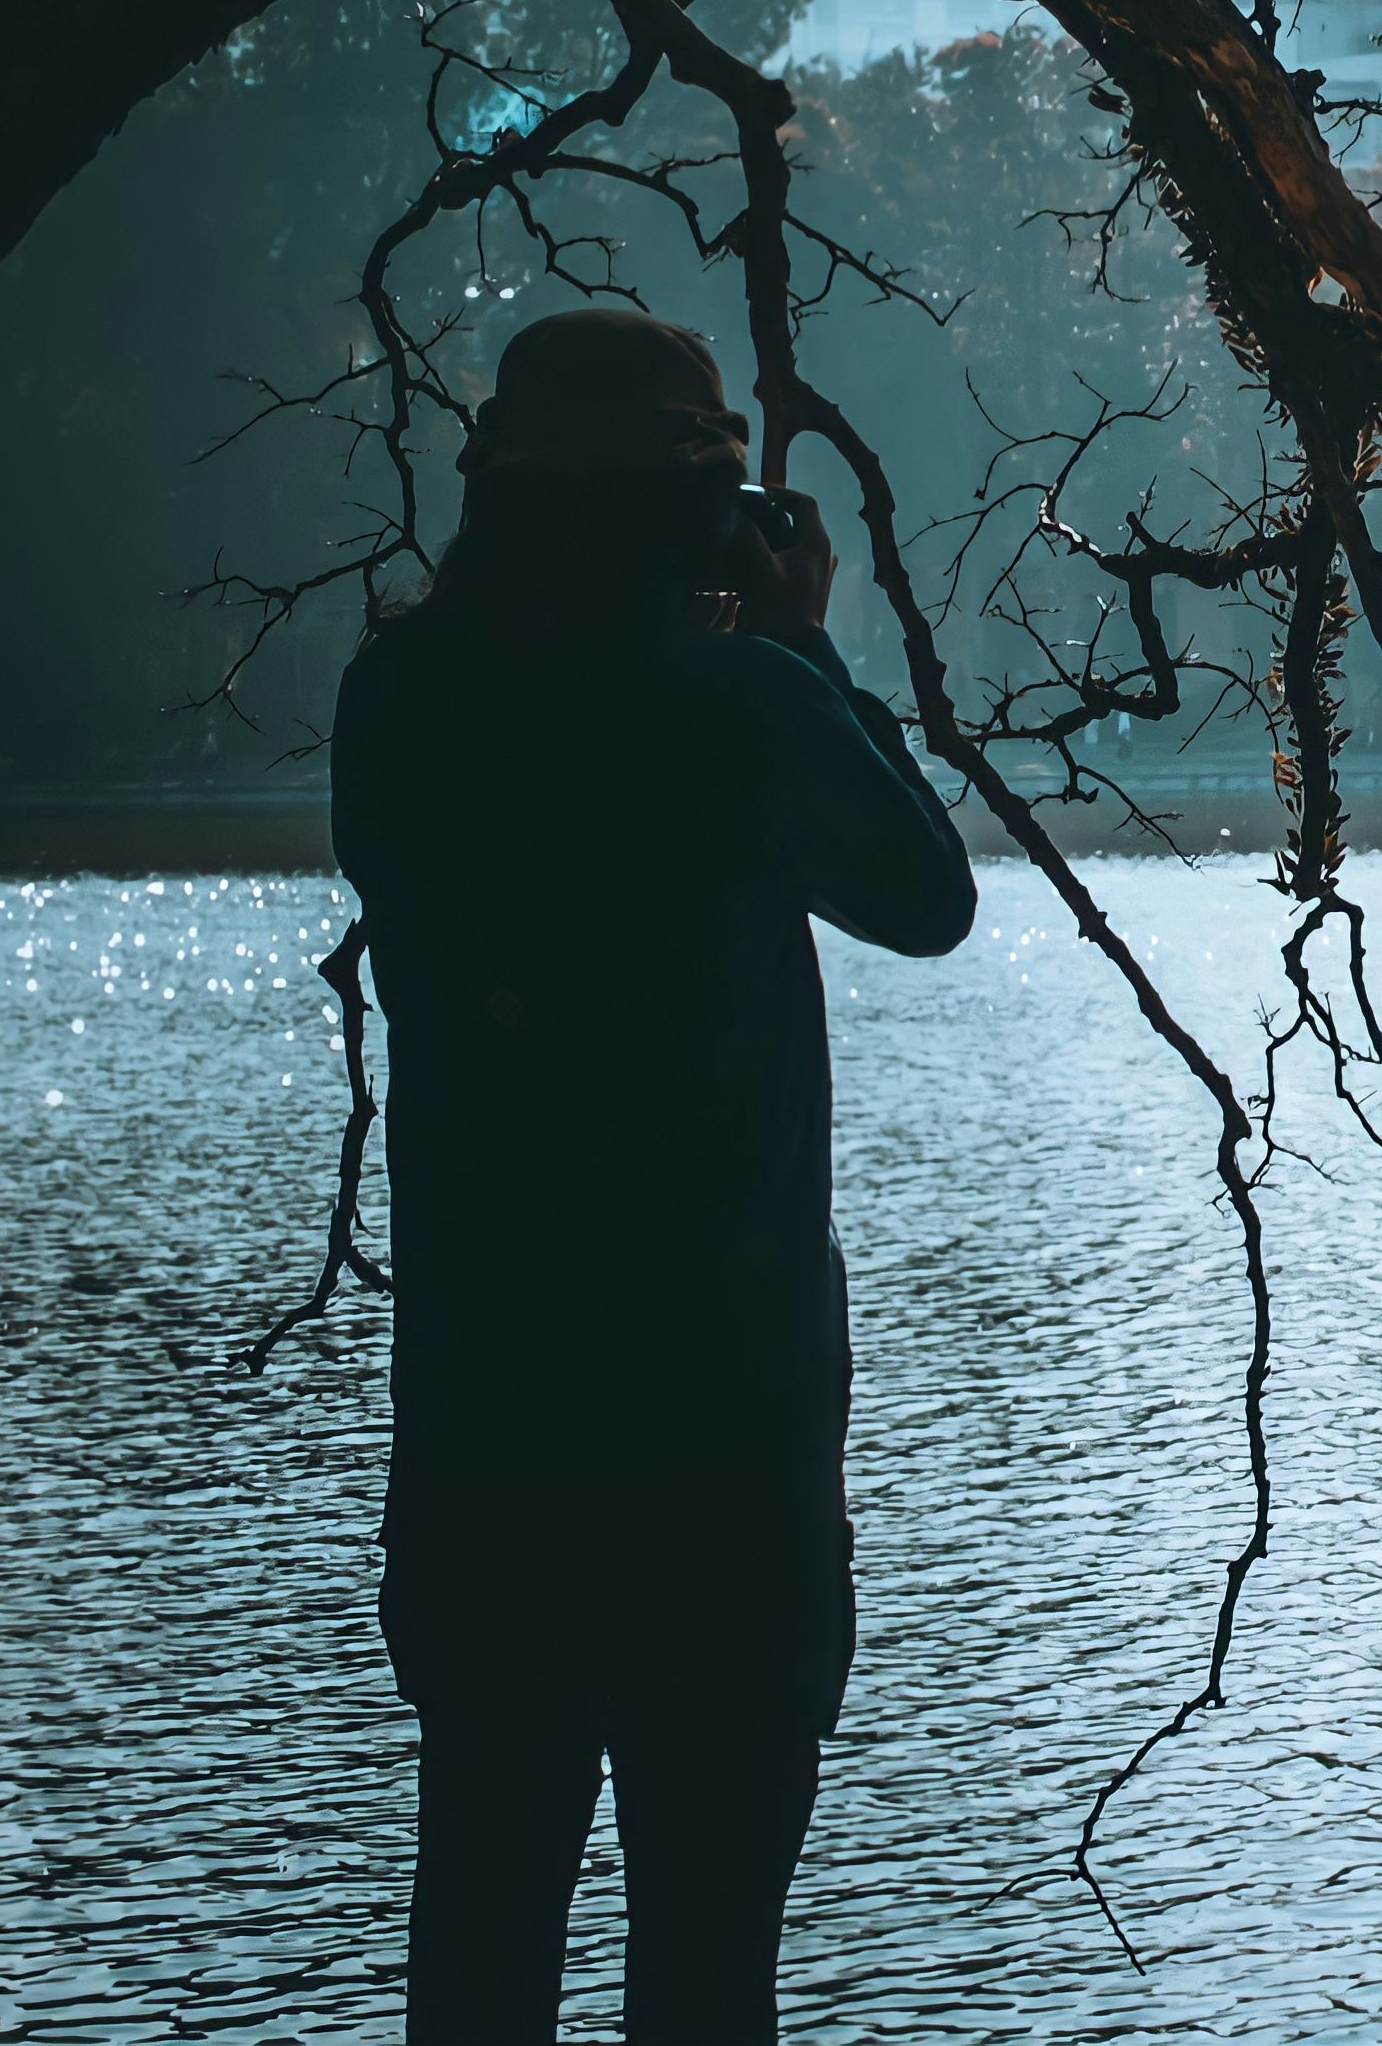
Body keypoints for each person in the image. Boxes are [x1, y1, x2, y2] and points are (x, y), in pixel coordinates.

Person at [331, 310, 978, 2040]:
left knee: (477, 1964)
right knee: (707, 1981)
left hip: (488, 1466)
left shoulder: (400, 704)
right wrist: (804, 645)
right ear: (707, 507)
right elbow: (929, 895)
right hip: (727, 1472)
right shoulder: (748, 707)